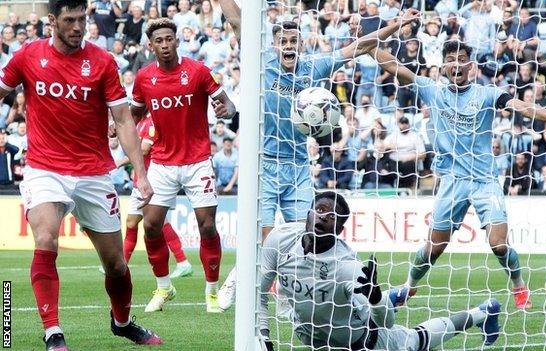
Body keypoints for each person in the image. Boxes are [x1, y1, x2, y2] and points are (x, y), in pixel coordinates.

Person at [216, 3, 422, 311]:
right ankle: (237, 279)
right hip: (263, 164)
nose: (288, 46)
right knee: (265, 237)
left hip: (298, 165)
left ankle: (287, 294)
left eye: (293, 41)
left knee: (305, 237)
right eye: (283, 41)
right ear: (275, 45)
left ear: (301, 44)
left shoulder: (315, 65)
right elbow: (236, 20)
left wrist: (397, 23)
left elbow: (361, 45)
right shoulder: (261, 61)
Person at [0, 0, 160, 349]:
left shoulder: (102, 62)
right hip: (44, 168)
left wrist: (142, 174)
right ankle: (53, 332)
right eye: (70, 20)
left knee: (116, 265)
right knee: (45, 240)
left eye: (82, 20)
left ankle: (121, 323)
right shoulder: (27, 56)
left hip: (94, 172)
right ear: (52, 21)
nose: (77, 27)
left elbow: (122, 120)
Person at [368, 39, 546, 309]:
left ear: (471, 65)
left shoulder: (487, 94)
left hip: (485, 180)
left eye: (462, 58)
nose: (457, 64)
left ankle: (518, 284)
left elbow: (521, 106)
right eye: (451, 59)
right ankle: (409, 285)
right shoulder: (432, 90)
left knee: (499, 245)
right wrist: (369, 46)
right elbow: (396, 67)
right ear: (444, 66)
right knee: (432, 250)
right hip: (452, 182)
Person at [259, 191, 502, 350]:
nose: (323, 218)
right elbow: (257, 291)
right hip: (313, 331)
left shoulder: (347, 268)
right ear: (308, 214)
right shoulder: (280, 239)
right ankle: (392, 297)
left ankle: (484, 312)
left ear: (340, 230)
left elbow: (385, 322)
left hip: (364, 341)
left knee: (416, 341)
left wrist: (375, 298)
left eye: (332, 217)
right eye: (320, 210)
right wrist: (263, 336)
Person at [130, 18, 237, 313]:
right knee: (150, 226)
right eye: (159, 41)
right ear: (150, 46)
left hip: (198, 161)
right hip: (162, 163)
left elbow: (228, 105)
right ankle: (164, 288)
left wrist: (224, 110)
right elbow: (136, 112)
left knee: (207, 227)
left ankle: (212, 292)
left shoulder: (198, 72)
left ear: (178, 41)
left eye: (169, 39)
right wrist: (119, 125)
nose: (165, 45)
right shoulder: (143, 78)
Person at [112, 115, 194, 278]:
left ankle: (183, 262)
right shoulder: (140, 123)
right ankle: (122, 262)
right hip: (140, 181)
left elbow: (143, 150)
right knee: (131, 222)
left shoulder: (152, 123)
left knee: (159, 221)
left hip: (153, 179)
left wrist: (120, 162)